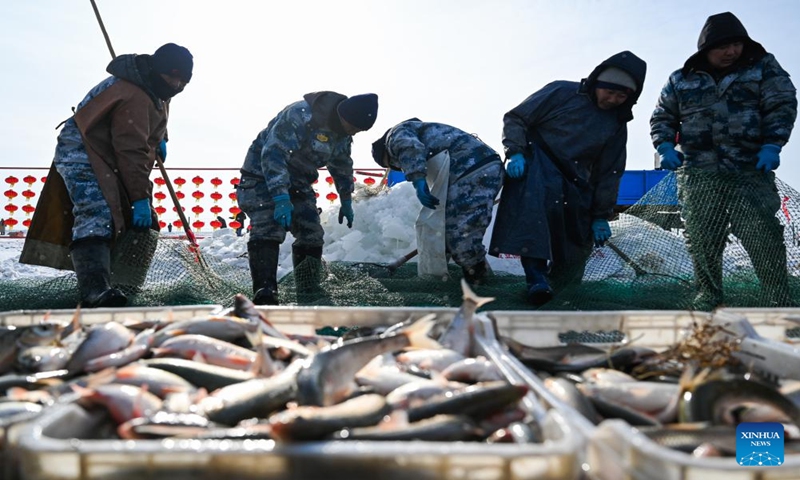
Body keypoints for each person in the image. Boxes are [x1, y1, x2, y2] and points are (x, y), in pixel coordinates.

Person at [19, 43, 193, 308]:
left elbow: (147, 125)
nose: (177, 84)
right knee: (97, 211)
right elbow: (130, 150)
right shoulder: (134, 92)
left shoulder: (157, 89)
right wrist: (139, 197)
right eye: (173, 76)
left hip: (112, 153)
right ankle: (95, 290)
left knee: (143, 224)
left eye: (183, 80)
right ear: (159, 70)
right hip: (84, 150)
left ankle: (125, 286)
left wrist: (160, 138)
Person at [651, 12, 797, 309]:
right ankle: (709, 296)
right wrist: (665, 146)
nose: (732, 52)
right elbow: (663, 116)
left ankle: (777, 297)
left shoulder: (762, 68)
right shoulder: (681, 79)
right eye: (723, 47)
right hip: (697, 173)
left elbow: (781, 104)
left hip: (749, 168)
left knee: (762, 235)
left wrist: (772, 144)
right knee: (702, 236)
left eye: (737, 45)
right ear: (706, 49)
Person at [490, 51, 647, 306]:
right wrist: (515, 151)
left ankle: (564, 289)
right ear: (597, 84)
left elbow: (610, 171)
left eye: (622, 96)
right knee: (535, 222)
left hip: (577, 180)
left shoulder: (617, 123)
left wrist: (600, 215)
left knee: (578, 238)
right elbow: (516, 117)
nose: (613, 99)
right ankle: (537, 279)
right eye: (609, 92)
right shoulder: (560, 92)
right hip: (538, 164)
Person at [236, 91, 378, 305]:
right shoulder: (300, 114)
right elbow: (273, 154)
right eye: (355, 127)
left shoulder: (343, 135)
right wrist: (281, 197)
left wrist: (346, 199)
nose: (355, 133)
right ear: (344, 115)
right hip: (262, 178)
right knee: (268, 228)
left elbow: (341, 165)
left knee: (311, 233)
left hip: (299, 183)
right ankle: (265, 292)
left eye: (360, 130)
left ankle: (309, 291)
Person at [371, 119, 503, 284]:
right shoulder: (424, 137)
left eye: (394, 163)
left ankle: (479, 282)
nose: (399, 166)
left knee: (461, 234)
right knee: (449, 231)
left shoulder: (397, 134)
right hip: (471, 171)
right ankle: (477, 275)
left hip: (473, 170)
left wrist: (418, 180)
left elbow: (409, 147)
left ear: (387, 151)